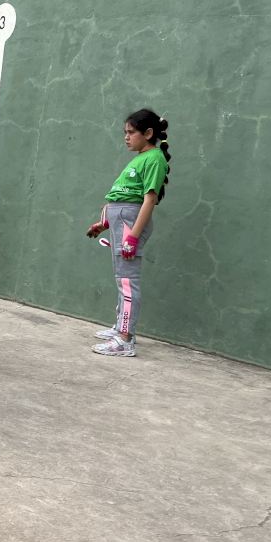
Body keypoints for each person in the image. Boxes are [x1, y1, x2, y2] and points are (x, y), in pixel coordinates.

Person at [85, 109, 171, 357]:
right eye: (125, 132)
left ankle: (125, 339)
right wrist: (104, 223)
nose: (126, 137)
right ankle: (120, 327)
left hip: (130, 226)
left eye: (131, 132)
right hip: (122, 223)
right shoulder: (140, 158)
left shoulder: (154, 159)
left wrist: (133, 236)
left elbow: (148, 200)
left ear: (148, 133)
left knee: (127, 281)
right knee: (121, 278)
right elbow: (122, 197)